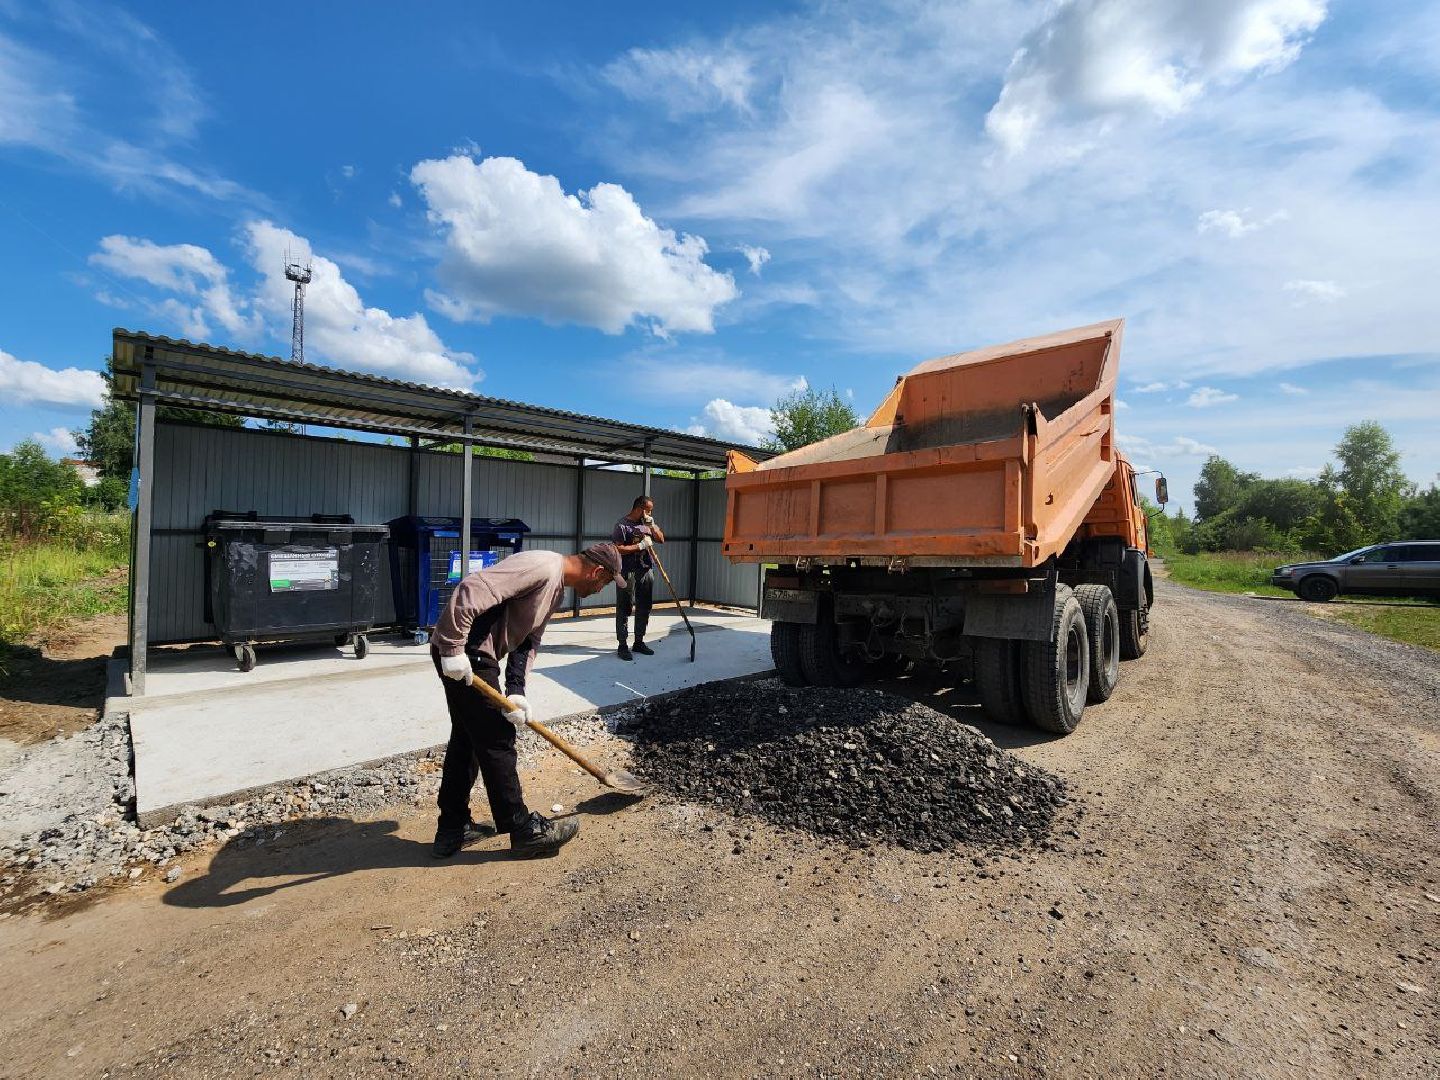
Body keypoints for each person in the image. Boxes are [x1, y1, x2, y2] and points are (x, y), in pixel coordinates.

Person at [429, 542, 628, 859]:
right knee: (497, 739)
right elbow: (471, 588)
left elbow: (528, 640)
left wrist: (516, 689)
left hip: (476, 655)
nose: (601, 588)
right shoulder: (542, 566)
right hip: (467, 653)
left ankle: (453, 828)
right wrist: (453, 648)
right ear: (598, 571)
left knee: (467, 739)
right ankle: (523, 831)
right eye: (605, 582)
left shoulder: (556, 589)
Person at [611, 495, 665, 661]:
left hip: (645, 569)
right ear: (640, 508)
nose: (650, 513)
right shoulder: (622, 525)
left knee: (644, 606)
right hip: (626, 571)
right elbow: (617, 549)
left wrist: (653, 526)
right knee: (624, 607)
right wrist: (639, 546)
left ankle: (639, 642)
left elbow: (661, 539)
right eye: (648, 510)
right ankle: (622, 645)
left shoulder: (647, 524)